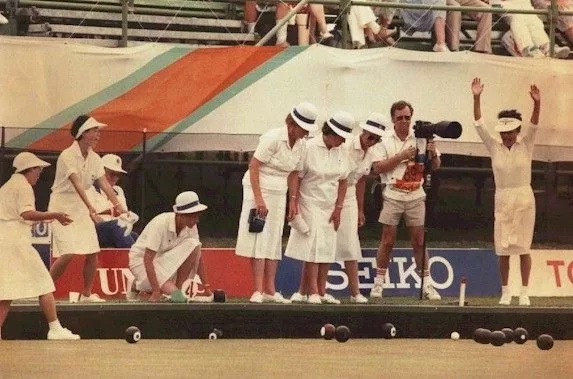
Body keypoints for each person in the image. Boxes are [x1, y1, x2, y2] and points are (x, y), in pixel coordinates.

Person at [235, 102, 318, 304]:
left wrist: (293, 201)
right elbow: (254, 166)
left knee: (273, 238)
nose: (306, 133)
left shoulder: (302, 145)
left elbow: (293, 174)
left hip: (279, 191)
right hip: (257, 188)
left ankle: (270, 291)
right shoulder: (272, 137)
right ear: (292, 124)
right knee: (258, 237)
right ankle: (257, 290)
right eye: (303, 128)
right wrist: (259, 198)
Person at [471, 77, 540, 306]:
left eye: (511, 131)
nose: (507, 136)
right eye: (504, 132)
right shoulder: (494, 146)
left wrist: (537, 103)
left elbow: (534, 124)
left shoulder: (526, 143)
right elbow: (479, 124)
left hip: (523, 197)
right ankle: (506, 291)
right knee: (502, 248)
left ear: (517, 130)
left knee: (523, 247)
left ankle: (524, 291)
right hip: (502, 197)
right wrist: (477, 97)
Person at [0, 152, 79, 340]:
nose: (39, 173)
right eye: (38, 169)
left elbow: (14, 217)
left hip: (5, 240)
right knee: (44, 282)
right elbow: (26, 213)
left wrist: (45, 219)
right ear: (30, 169)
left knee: (5, 290)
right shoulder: (24, 186)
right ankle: (55, 328)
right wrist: (54, 214)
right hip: (16, 243)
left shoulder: (7, 187)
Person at [49, 115, 128, 303]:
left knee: (93, 251)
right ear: (84, 133)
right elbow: (76, 183)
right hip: (62, 207)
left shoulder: (94, 158)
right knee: (67, 253)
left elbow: (105, 185)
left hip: (81, 207)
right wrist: (91, 207)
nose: (98, 135)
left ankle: (86, 294)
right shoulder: (67, 155)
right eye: (95, 131)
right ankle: (44, 290)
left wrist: (120, 208)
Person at [370, 101, 442, 300]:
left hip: (416, 195)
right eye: (400, 117)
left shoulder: (421, 137)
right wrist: (401, 156)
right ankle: (378, 283)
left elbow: (435, 166)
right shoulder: (384, 140)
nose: (404, 121)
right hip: (392, 194)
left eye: (407, 117)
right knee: (388, 240)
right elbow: (377, 168)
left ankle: (427, 284)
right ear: (393, 119)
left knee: (419, 241)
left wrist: (433, 153)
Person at [286, 111, 353, 305]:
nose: (343, 141)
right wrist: (293, 201)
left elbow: (343, 181)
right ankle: (312, 291)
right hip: (309, 202)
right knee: (313, 248)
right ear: (331, 132)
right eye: (341, 137)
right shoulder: (308, 147)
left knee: (326, 248)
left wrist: (339, 208)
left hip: (330, 205)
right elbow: (295, 175)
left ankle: (321, 291)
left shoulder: (342, 150)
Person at [335, 113, 389, 303]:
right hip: (330, 191)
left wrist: (360, 209)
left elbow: (361, 181)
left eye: (377, 138)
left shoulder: (373, 152)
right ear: (364, 130)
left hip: (349, 194)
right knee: (322, 242)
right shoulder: (346, 144)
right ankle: (312, 291)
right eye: (370, 136)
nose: (372, 141)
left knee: (351, 243)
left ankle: (355, 293)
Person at [127, 191, 206, 303]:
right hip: (141, 260)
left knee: (194, 245)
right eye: (193, 216)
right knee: (172, 292)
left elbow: (197, 255)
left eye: (197, 216)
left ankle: (178, 291)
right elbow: (147, 258)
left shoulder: (192, 225)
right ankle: (137, 285)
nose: (197, 220)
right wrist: (155, 291)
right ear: (180, 215)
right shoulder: (160, 223)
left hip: (164, 258)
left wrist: (207, 287)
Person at [86, 153, 139, 248]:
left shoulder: (118, 190)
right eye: (112, 174)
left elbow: (124, 216)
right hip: (95, 230)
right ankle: (135, 259)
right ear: (101, 172)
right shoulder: (89, 189)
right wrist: (114, 213)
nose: (115, 178)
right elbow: (93, 217)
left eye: (118, 175)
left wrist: (108, 213)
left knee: (135, 236)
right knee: (116, 226)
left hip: (116, 229)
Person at [498, 0, 570, 58]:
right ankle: (527, 49)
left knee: (533, 18)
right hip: (499, 3)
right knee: (516, 16)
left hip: (521, 2)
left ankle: (546, 47)